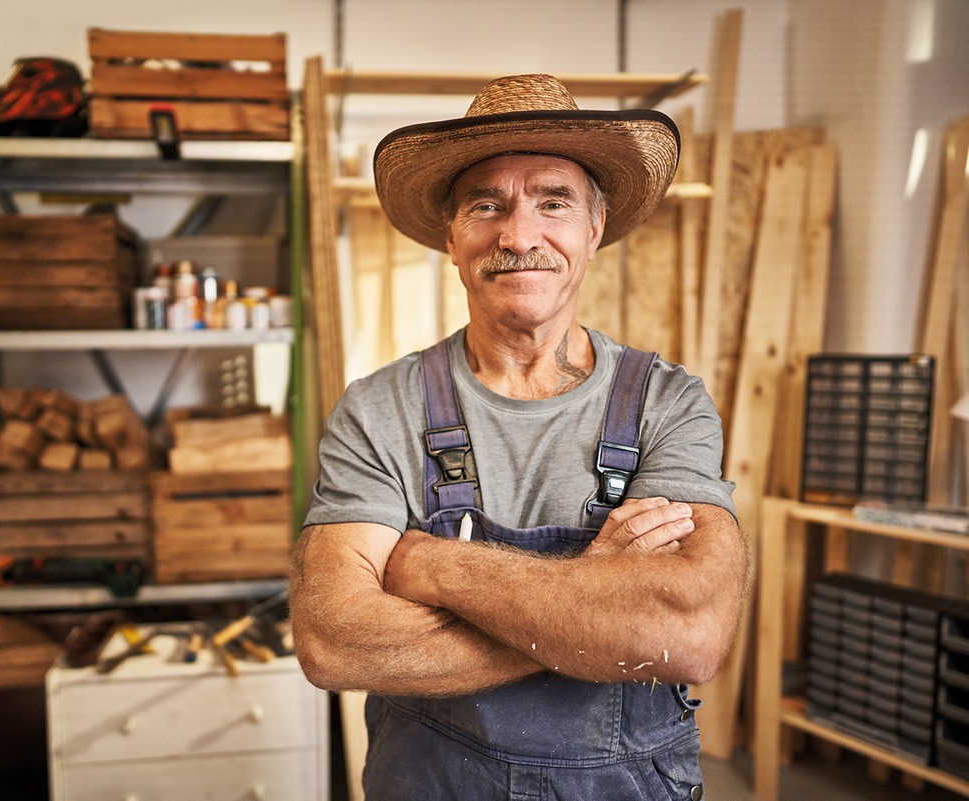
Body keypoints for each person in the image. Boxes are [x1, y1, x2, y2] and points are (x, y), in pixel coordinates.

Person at [289, 73, 748, 800]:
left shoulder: (668, 403)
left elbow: (687, 632)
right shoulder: (378, 411)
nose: (518, 234)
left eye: (553, 202)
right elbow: (333, 639)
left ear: (594, 227)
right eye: (486, 204)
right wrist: (600, 613)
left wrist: (433, 566)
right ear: (452, 236)